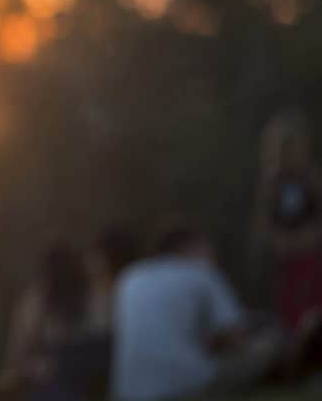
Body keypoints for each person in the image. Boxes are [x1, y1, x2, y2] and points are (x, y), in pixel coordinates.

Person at [111, 223, 282, 401]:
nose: (213, 256)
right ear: (189, 247)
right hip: (186, 385)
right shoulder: (202, 272)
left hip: (129, 392)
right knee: (270, 342)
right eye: (207, 248)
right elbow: (236, 336)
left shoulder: (130, 276)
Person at [0, 241, 111, 401]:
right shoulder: (99, 295)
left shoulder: (35, 301)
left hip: (64, 380)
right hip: (83, 380)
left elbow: (17, 358)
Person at [253, 107, 322, 333]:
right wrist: (279, 240)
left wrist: (310, 237)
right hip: (284, 254)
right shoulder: (272, 184)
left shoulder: (311, 178)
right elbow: (265, 221)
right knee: (287, 304)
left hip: (312, 251)